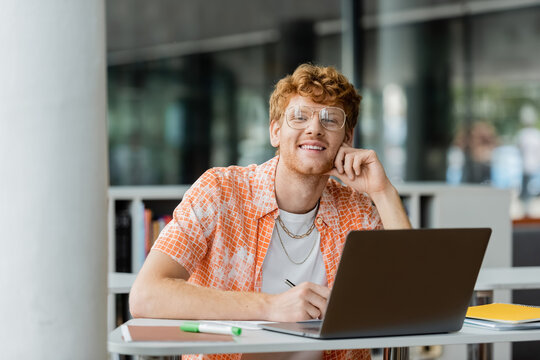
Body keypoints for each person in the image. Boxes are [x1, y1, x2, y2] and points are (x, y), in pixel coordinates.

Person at [129, 64, 411, 360]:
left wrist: (382, 191)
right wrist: (272, 307)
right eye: (299, 117)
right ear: (275, 131)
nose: (314, 128)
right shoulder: (219, 191)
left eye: (330, 119)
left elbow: (413, 299)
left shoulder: (357, 207)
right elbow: (146, 294)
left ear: (347, 138)